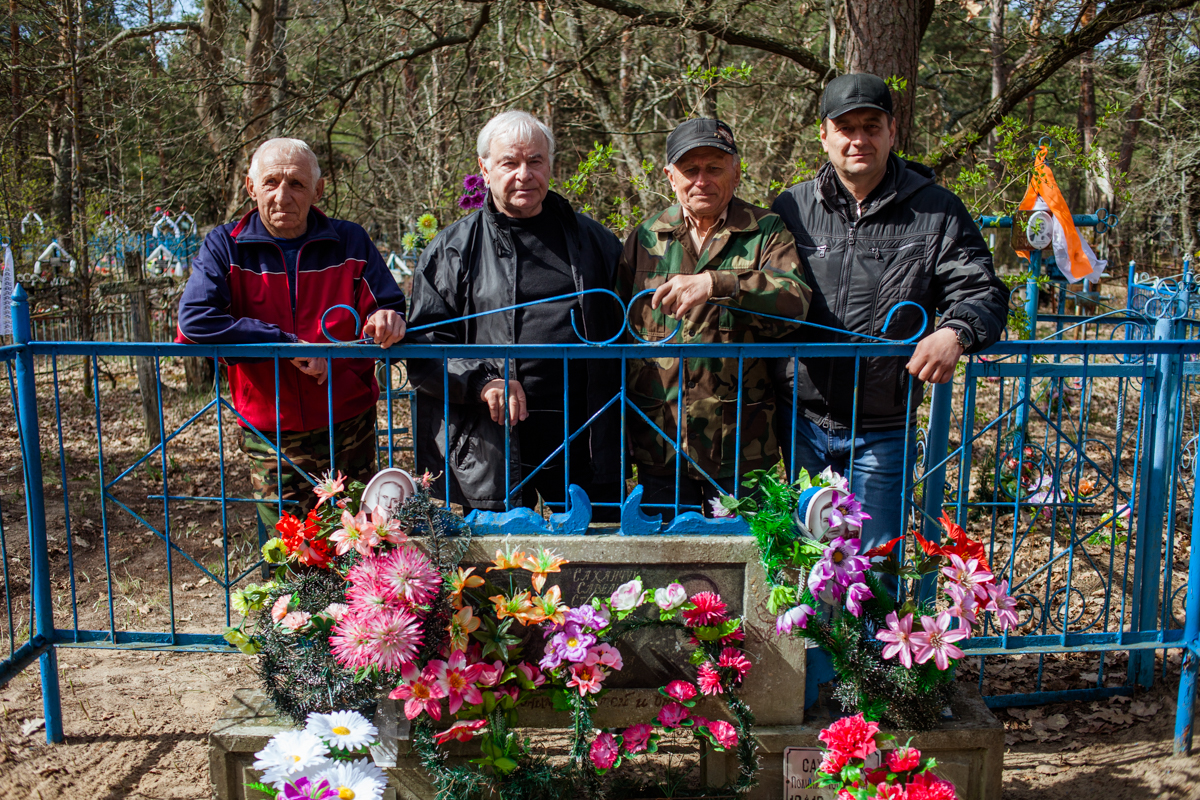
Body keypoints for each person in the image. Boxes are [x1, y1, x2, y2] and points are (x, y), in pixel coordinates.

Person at [770, 73, 1009, 554]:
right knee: (806, 561)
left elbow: (982, 289)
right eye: (846, 128)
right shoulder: (792, 206)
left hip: (882, 427)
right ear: (824, 135)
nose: (859, 139)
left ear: (892, 131)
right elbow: (763, 289)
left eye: (871, 126)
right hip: (802, 423)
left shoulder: (935, 210)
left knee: (875, 567)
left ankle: (874, 633)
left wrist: (956, 332)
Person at [176, 138, 407, 527]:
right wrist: (286, 345)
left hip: (349, 424)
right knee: (288, 556)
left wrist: (388, 319)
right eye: (271, 182)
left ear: (318, 190)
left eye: (297, 184)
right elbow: (195, 323)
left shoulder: (350, 241)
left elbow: (387, 315)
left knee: (361, 544)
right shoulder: (225, 246)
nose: (282, 196)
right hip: (270, 432)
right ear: (251, 188)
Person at [406, 111, 624, 515]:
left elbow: (629, 330)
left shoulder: (595, 242)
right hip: (488, 441)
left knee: (593, 569)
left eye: (535, 161)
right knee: (498, 572)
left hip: (585, 440)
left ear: (550, 166)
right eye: (510, 162)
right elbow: (423, 349)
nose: (524, 174)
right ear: (484, 169)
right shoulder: (452, 250)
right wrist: (483, 381)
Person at [619, 119, 811, 518]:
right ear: (671, 177)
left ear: (736, 173)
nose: (701, 181)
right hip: (661, 441)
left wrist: (718, 283)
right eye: (690, 170)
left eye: (714, 168)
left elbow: (795, 301)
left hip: (741, 445)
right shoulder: (647, 237)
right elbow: (619, 330)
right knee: (664, 571)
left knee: (742, 570)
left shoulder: (765, 231)